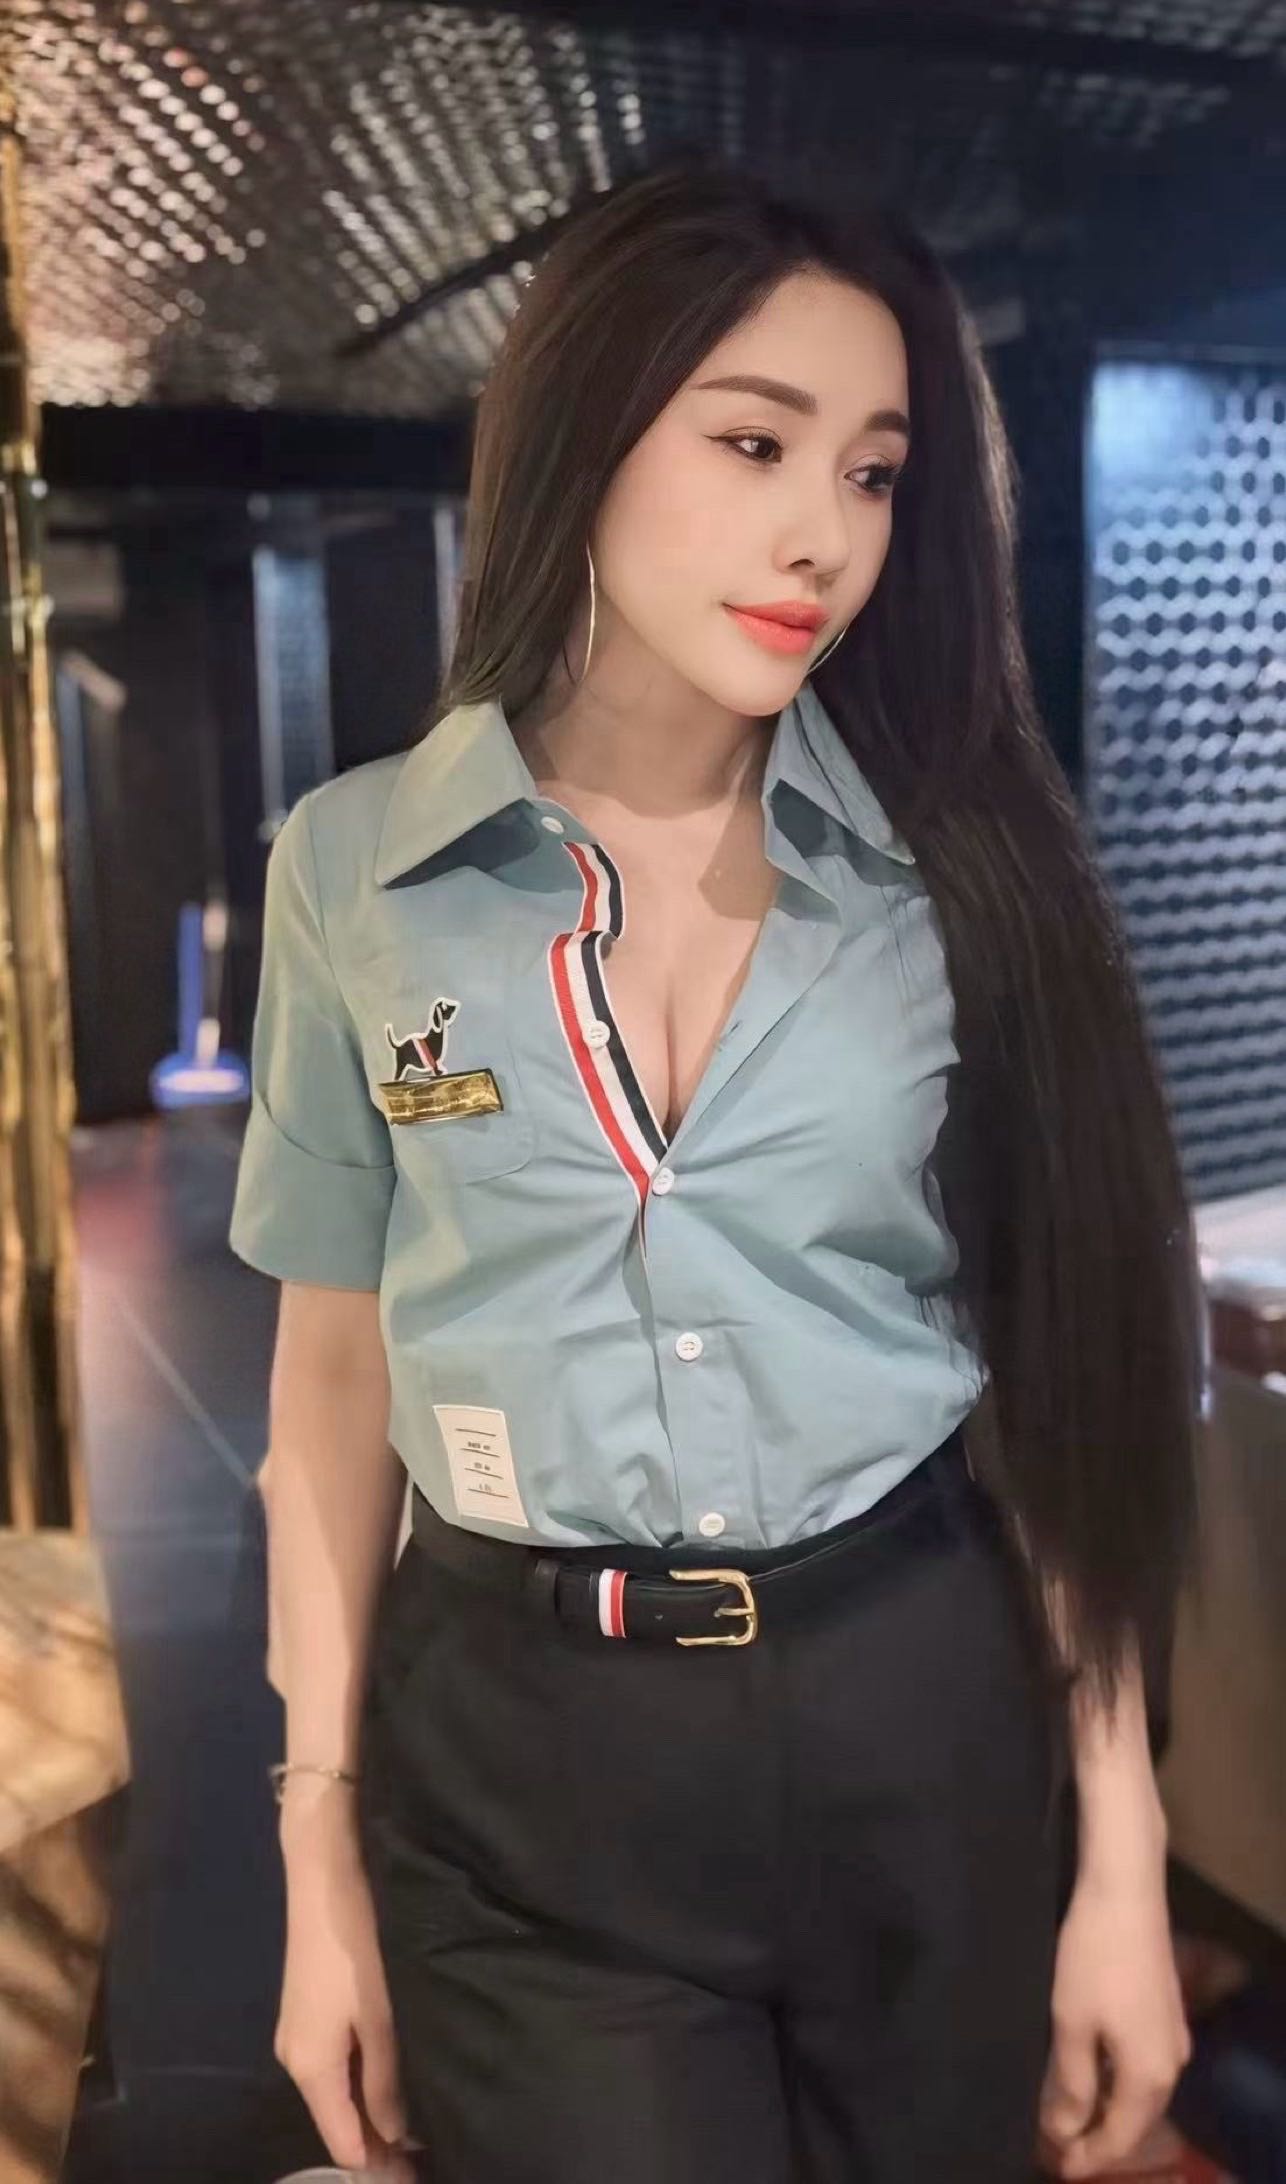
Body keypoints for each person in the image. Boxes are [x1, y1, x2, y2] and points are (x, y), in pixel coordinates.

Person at [229, 160, 1205, 2184]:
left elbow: (1073, 1387)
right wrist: (317, 1853)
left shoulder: (966, 875)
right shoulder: (354, 869)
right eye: (754, 444)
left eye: (872, 473)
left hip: (914, 1699)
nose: (821, 534)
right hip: (521, 1752)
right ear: (584, 433)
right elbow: (331, 1378)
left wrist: (1120, 1859)